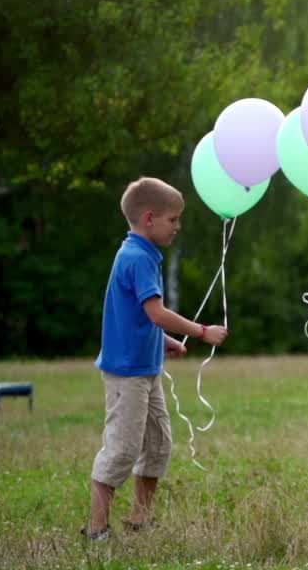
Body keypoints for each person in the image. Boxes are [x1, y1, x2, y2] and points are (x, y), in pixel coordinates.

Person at [85, 177, 228, 541]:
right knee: (122, 447)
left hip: (147, 369)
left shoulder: (143, 254)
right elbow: (156, 311)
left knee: (158, 443)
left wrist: (163, 341)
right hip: (127, 374)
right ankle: (97, 528)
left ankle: (141, 519)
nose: (178, 226)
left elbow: (138, 314)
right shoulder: (136, 257)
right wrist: (200, 331)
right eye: (173, 219)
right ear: (149, 218)